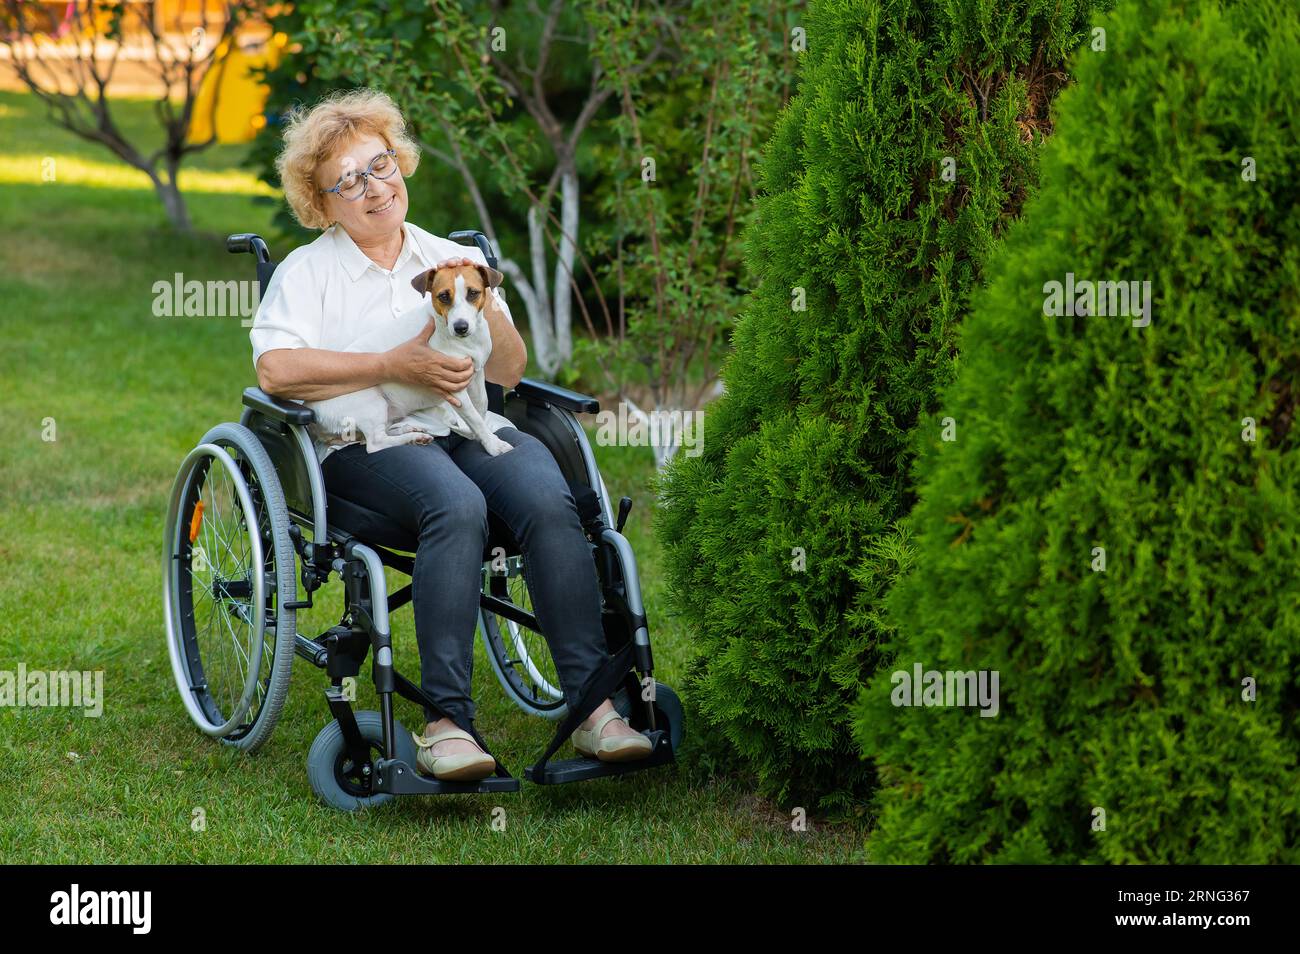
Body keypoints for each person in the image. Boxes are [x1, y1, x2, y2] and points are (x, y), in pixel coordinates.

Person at [249, 88, 651, 780]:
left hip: (463, 423)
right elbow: (276, 370)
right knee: (455, 506)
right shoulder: (308, 271)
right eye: (347, 180)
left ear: (400, 162)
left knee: (547, 496)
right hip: (358, 446)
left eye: (380, 165)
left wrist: (481, 303)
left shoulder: (451, 257)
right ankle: (447, 725)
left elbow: (513, 371)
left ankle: (593, 708)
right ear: (322, 200)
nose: (373, 188)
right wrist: (386, 364)